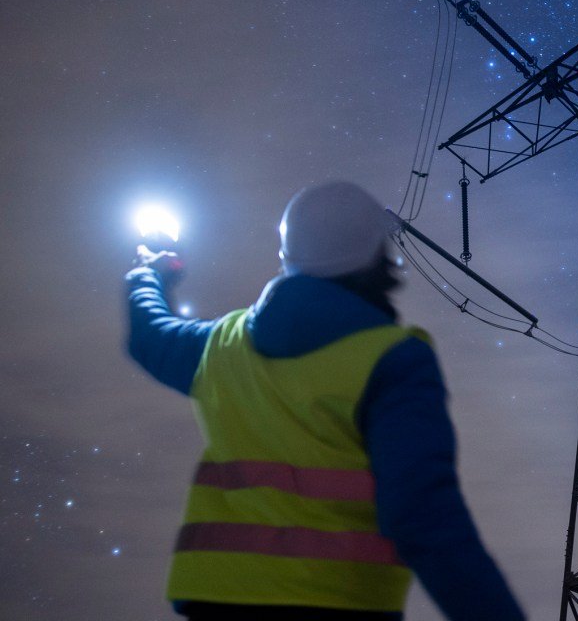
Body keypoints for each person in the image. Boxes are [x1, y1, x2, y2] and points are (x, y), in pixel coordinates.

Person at [125, 181, 525, 620]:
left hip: (218, 602)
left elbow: (150, 336)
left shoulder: (222, 345)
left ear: (287, 257)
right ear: (380, 259)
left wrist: (148, 275)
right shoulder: (393, 360)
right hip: (338, 604)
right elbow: (424, 516)